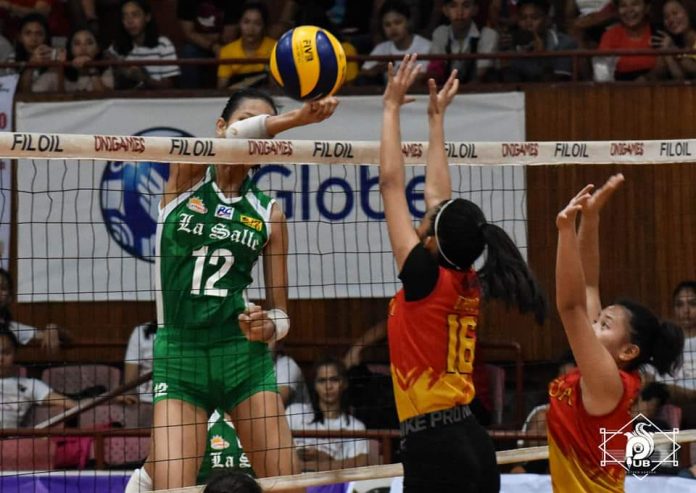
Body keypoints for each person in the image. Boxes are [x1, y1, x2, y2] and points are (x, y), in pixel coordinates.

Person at [147, 88, 338, 490]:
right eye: (247, 122)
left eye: (262, 134)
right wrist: (297, 120)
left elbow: (283, 315)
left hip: (241, 358)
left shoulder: (268, 213)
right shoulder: (185, 177)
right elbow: (236, 140)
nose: (253, 139)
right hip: (180, 356)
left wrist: (267, 325)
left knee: (288, 486)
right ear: (220, 127)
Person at [380, 54, 546, 492]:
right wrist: (436, 122)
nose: (421, 215)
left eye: (427, 220)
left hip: (435, 447)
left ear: (432, 239)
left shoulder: (424, 278)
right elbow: (441, 200)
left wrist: (391, 108)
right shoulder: (463, 275)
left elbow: (391, 185)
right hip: (470, 439)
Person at [551, 173, 684, 491]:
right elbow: (587, 285)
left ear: (628, 352)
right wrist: (591, 218)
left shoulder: (608, 383)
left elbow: (571, 308)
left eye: (604, 324)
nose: (593, 322)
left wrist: (565, 231)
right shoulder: (606, 372)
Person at [285, 356, 369, 472]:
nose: (328, 386)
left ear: (344, 383)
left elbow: (360, 463)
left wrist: (324, 459)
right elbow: (276, 453)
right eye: (322, 381)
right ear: (314, 385)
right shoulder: (294, 412)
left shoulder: (356, 427)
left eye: (334, 380)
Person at [0, 326, 76, 428]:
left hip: (9, 442)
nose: (0, 358)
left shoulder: (31, 385)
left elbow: (73, 405)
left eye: (6, 353)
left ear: (15, 354)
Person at [499, 0, 578, 82]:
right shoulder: (512, 42)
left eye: (534, 18)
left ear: (547, 20)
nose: (528, 23)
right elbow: (509, 83)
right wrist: (505, 57)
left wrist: (542, 56)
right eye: (523, 18)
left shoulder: (565, 43)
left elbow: (557, 85)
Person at [108, 0, 179, 90]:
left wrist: (144, 78)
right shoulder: (117, 45)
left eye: (135, 15)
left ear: (147, 17)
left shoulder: (163, 44)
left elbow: (169, 86)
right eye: (125, 16)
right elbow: (107, 57)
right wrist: (119, 68)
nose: (129, 21)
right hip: (126, 100)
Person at [427, 0, 499, 84]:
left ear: (475, 9)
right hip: (447, 90)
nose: (460, 12)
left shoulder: (488, 34)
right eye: (453, 6)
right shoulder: (440, 33)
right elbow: (437, 71)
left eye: (466, 6)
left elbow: (480, 73)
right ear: (445, 10)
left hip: (477, 92)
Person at [360, 0, 432, 82]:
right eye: (387, 25)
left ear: (408, 22)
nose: (393, 29)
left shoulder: (426, 46)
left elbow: (422, 77)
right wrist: (380, 67)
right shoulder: (382, 48)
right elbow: (364, 72)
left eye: (398, 22)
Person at [177, 0, 240, 88]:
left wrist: (199, 35)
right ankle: (190, 98)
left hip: (226, 44)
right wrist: (213, 46)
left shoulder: (232, 2)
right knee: (188, 52)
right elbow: (188, 34)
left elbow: (228, 37)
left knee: (232, 53)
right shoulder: (186, 2)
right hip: (197, 45)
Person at [0, 268, 65, 353]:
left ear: (9, 298)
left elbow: (68, 340)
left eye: (3, 288)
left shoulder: (12, 328)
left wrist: (54, 328)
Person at [33, 26, 115, 92]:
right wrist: (60, 68)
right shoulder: (56, 68)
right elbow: (35, 92)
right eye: (77, 44)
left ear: (97, 49)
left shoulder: (104, 67)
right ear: (70, 49)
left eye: (89, 43)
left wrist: (92, 68)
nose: (83, 48)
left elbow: (107, 100)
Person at [217, 3, 275, 90]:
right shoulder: (227, 51)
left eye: (257, 23)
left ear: (264, 26)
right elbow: (222, 88)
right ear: (239, 24)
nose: (251, 29)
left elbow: (276, 88)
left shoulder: (275, 48)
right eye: (246, 22)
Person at [596, 0, 656, 81]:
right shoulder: (610, 36)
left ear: (647, 8)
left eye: (635, 4)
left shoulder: (658, 33)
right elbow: (602, 75)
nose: (629, 10)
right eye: (623, 5)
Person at [10, 13, 64, 94]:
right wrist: (31, 63)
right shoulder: (11, 60)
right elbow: (21, 93)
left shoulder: (53, 58)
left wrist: (59, 65)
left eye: (39, 34)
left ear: (46, 38)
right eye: (28, 33)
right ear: (20, 37)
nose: (33, 39)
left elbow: (60, 93)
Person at [652, 0, 696, 80]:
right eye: (666, 17)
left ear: (688, 12)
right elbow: (680, 81)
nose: (671, 20)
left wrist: (675, 52)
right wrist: (668, 53)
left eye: (675, 13)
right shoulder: (671, 42)